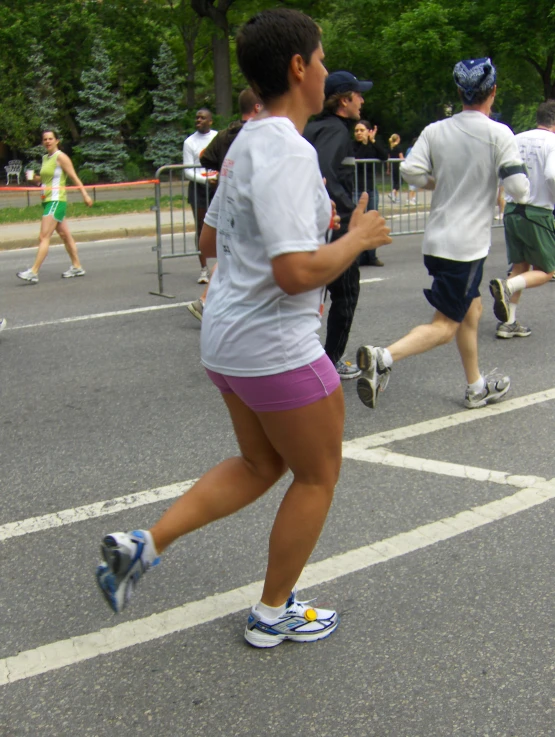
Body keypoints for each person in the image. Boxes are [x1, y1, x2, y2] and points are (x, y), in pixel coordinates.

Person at [96, 8, 391, 648]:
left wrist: (316, 239)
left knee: (261, 464)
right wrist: (356, 239)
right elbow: (293, 273)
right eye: (319, 59)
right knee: (316, 475)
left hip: (228, 337)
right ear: (297, 67)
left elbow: (209, 241)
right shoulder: (286, 148)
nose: (322, 69)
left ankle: (145, 545)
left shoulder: (247, 141)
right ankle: (271, 613)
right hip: (275, 342)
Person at [356, 57, 530, 411]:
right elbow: (520, 189)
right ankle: (383, 357)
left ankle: (476, 385)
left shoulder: (436, 130)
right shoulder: (499, 134)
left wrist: (439, 181)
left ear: (459, 92)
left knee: (473, 309)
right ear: (492, 91)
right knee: (446, 325)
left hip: (436, 241)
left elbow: (410, 171)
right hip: (465, 246)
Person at [304, 69, 375, 380]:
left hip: (314, 226)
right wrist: (346, 212)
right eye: (358, 94)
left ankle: (307, 356)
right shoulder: (335, 131)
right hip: (335, 226)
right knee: (346, 293)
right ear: (344, 100)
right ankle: (329, 360)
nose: (362, 99)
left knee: (312, 295)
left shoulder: (314, 126)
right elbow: (324, 175)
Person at [188, 88, 262, 322]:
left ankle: (210, 302)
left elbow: (205, 158)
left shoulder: (225, 135)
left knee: (229, 250)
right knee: (239, 250)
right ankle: (209, 302)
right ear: (257, 107)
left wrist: (222, 168)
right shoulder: (256, 136)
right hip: (245, 199)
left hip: (226, 192)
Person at [489, 99, 555, 339]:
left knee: (520, 266)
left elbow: (500, 172)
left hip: (513, 209)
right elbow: (552, 175)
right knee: (547, 270)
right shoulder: (553, 142)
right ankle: (507, 287)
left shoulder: (516, 139)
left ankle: (509, 322)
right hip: (538, 211)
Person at [16, 130, 92, 284]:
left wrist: (85, 194)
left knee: (44, 236)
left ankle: (34, 272)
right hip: (47, 200)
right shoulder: (45, 158)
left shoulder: (61, 157)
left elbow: (74, 177)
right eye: (45, 139)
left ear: (57, 140)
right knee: (65, 235)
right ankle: (77, 266)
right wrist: (33, 179)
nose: (48, 141)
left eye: (51, 139)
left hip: (56, 201)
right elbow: (44, 181)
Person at [183, 108, 218, 284]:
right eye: (197, 118)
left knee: (222, 226)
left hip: (217, 186)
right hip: (199, 188)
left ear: (210, 121)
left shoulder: (218, 137)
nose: (199, 120)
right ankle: (203, 269)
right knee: (201, 227)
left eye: (203, 118)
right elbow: (188, 170)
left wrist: (217, 178)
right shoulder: (190, 142)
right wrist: (205, 181)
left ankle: (221, 266)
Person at [353, 119, 388, 266]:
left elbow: (384, 156)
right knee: (358, 223)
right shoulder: (352, 146)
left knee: (372, 221)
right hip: (356, 190)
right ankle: (358, 256)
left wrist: (373, 141)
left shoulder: (373, 145)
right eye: (357, 131)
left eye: (362, 130)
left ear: (368, 131)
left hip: (371, 189)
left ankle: (372, 256)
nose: (359, 133)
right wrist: (366, 143)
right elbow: (359, 157)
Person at [387, 133, 404, 203]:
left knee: (395, 181)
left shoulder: (390, 148)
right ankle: (393, 192)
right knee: (400, 181)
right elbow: (401, 157)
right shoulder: (398, 147)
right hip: (398, 166)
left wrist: (388, 168)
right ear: (397, 139)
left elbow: (388, 159)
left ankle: (394, 197)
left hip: (393, 166)